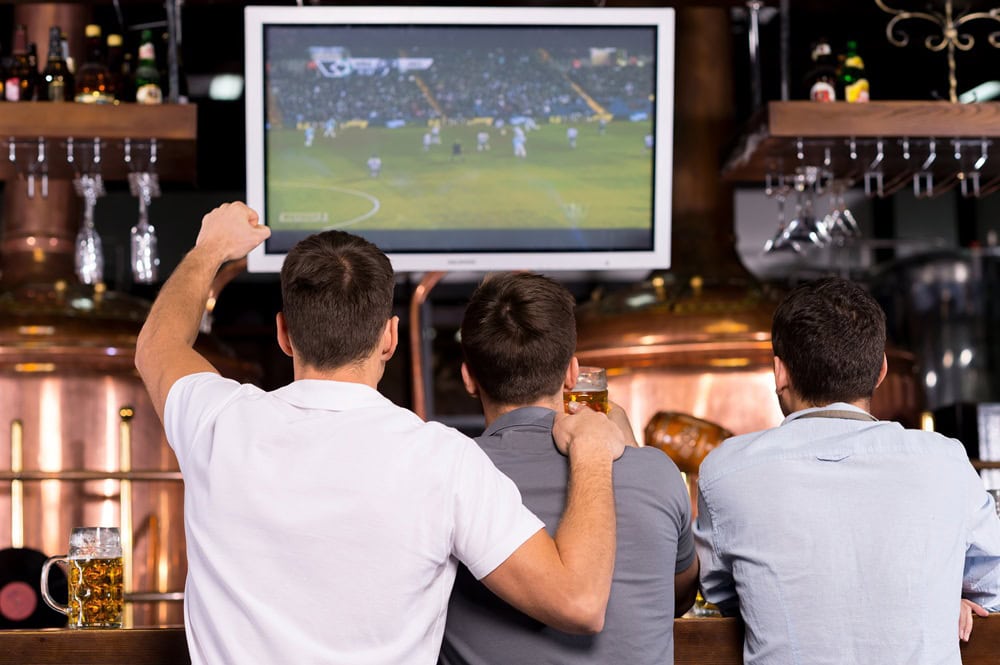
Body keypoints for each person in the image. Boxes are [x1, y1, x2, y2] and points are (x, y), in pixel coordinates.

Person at [135, 203, 626, 665]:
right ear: (390, 337)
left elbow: (157, 343)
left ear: (284, 334)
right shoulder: (443, 460)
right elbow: (579, 602)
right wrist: (591, 452)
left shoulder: (218, 422)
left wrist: (211, 249)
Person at [694, 276, 1000, 665]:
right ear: (881, 371)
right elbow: (993, 585)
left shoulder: (726, 471)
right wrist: (945, 596)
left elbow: (722, 594)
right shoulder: (946, 461)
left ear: (779, 373)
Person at [441, 272, 698, 665]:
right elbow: (677, 596)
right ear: (571, 374)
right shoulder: (658, 472)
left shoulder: (440, 478)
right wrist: (632, 455)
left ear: (469, 379)